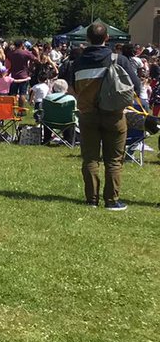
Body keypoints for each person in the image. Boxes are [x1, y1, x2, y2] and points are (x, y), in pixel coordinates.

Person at [70, 23, 135, 210]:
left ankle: (91, 200)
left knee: (90, 158)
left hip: (88, 114)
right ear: (107, 38)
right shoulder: (118, 59)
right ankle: (112, 201)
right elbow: (134, 86)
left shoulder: (79, 62)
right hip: (113, 114)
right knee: (114, 160)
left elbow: (73, 87)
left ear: (87, 39)